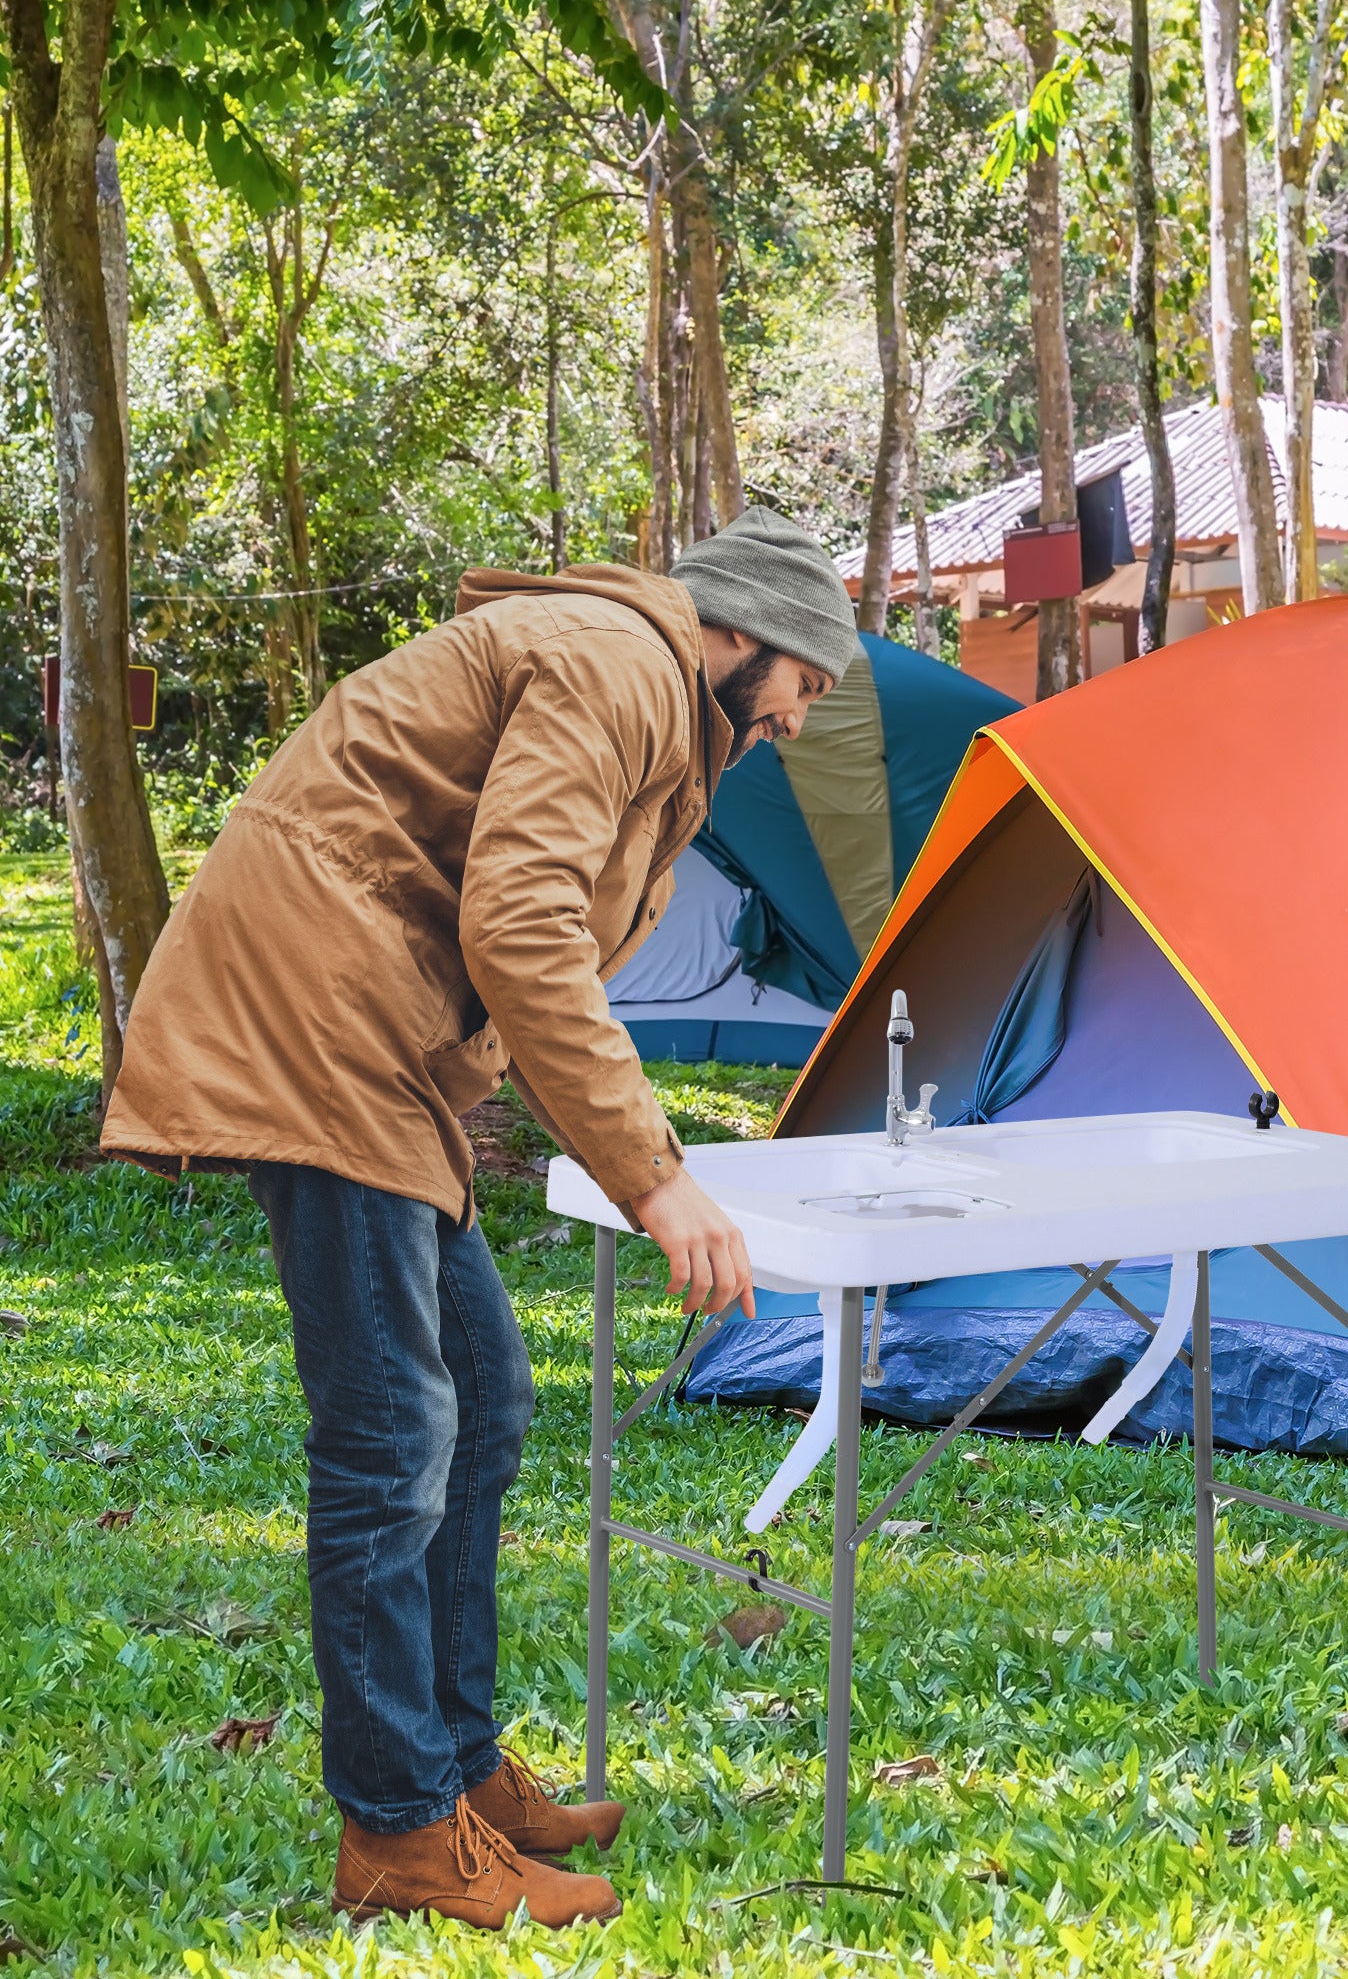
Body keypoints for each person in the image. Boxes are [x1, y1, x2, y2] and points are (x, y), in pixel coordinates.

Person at [102, 509, 857, 1924]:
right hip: (319, 1026)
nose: (803, 718)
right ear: (741, 633)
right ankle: (397, 1829)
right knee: (394, 1435)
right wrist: (657, 1174)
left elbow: (523, 913)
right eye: (806, 681)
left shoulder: (640, 690)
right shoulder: (622, 664)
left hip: (381, 1044)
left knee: (489, 1399)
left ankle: (452, 1769)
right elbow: (521, 926)